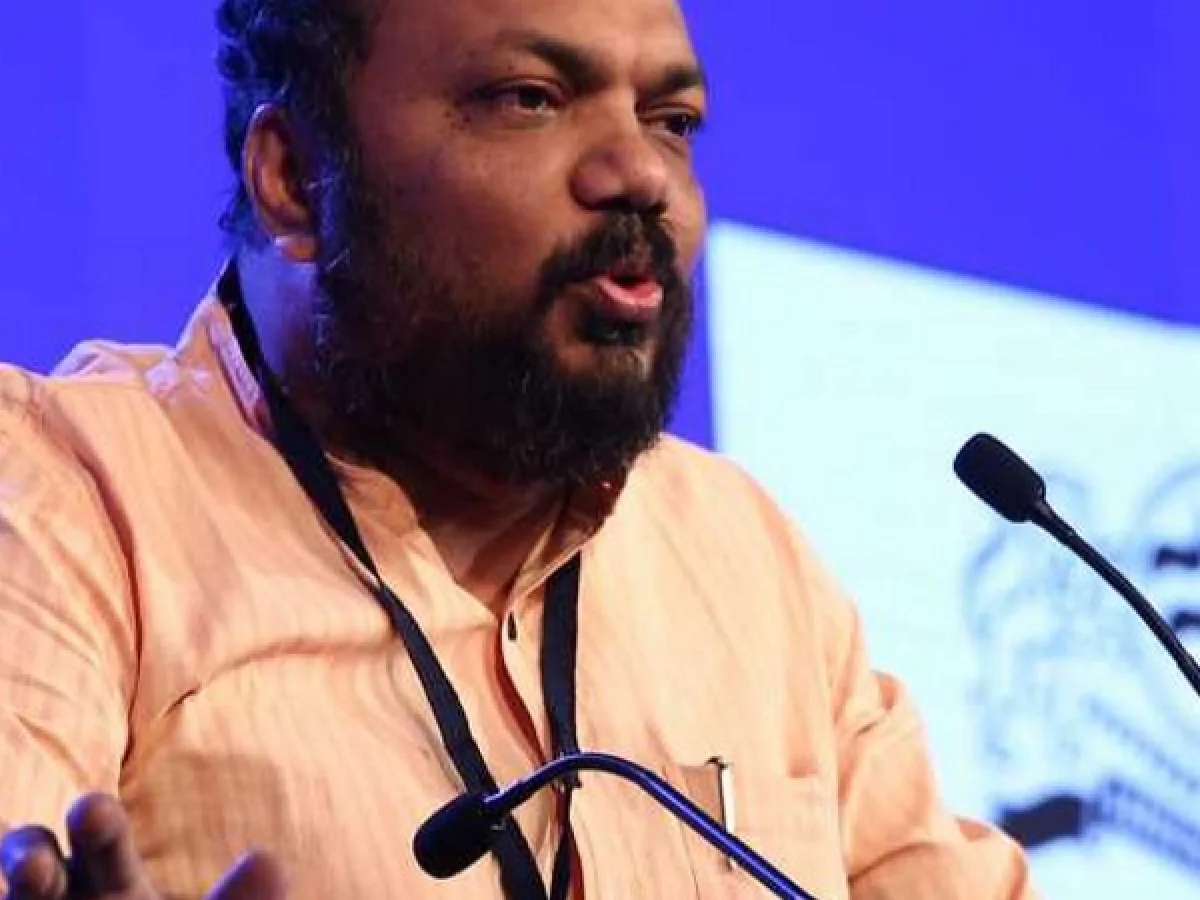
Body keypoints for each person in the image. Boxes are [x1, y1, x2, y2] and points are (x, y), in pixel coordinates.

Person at [0, 0, 1036, 897]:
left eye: (672, 121)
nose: (641, 173)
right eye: (530, 99)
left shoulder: (746, 560)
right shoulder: (66, 497)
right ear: (297, 177)